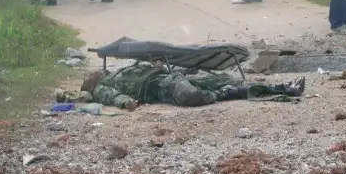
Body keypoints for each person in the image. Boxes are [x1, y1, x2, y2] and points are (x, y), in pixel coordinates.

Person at [78, 63, 305, 110]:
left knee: (228, 79)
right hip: (165, 88)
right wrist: (127, 102)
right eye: (90, 77)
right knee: (194, 96)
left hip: (171, 79)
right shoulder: (102, 87)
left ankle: (283, 86)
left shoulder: (115, 73)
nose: (92, 73)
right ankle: (284, 89)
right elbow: (115, 97)